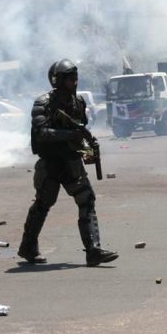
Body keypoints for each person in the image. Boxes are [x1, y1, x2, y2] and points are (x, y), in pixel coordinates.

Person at [19, 58, 119, 266]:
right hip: (51, 163)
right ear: (58, 80)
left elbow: (79, 132)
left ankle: (93, 250)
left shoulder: (78, 102)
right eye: (70, 78)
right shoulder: (43, 103)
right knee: (44, 203)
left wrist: (87, 150)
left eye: (75, 77)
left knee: (87, 200)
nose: (75, 81)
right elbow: (41, 133)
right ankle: (28, 246)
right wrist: (69, 134)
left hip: (72, 162)